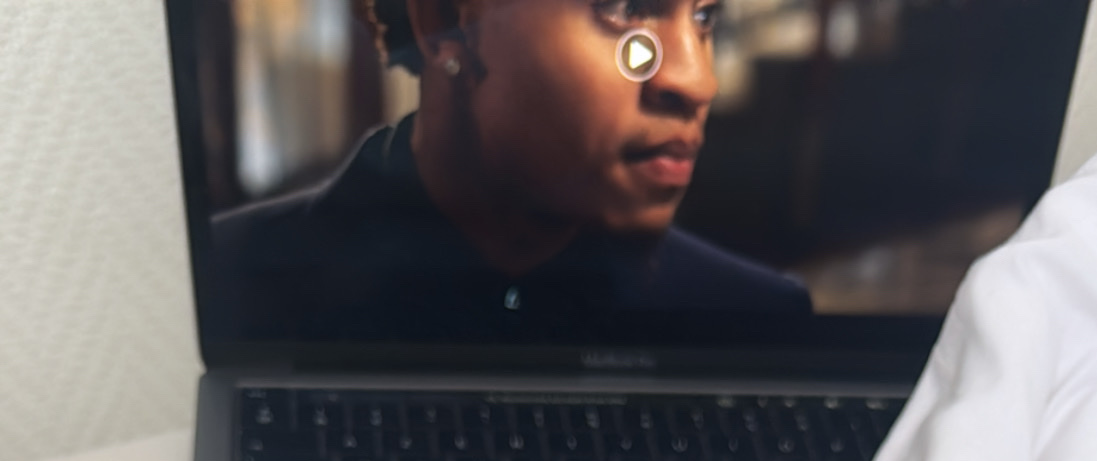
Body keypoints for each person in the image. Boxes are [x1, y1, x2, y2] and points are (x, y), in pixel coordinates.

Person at [211, 0, 812, 338]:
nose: (697, 80)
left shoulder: (756, 320)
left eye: (705, 19)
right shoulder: (233, 282)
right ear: (444, 26)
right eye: (627, 9)